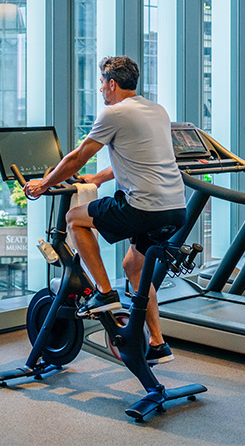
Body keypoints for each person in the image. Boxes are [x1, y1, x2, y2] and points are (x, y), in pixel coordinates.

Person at [24, 55, 187, 365]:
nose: (100, 89)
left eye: (101, 83)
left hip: (142, 208)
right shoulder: (157, 111)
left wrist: (43, 185)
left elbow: (77, 157)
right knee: (134, 268)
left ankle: (104, 292)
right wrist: (97, 179)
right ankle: (157, 343)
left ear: (112, 84)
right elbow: (139, 156)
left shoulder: (113, 113)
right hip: (176, 208)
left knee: (75, 220)